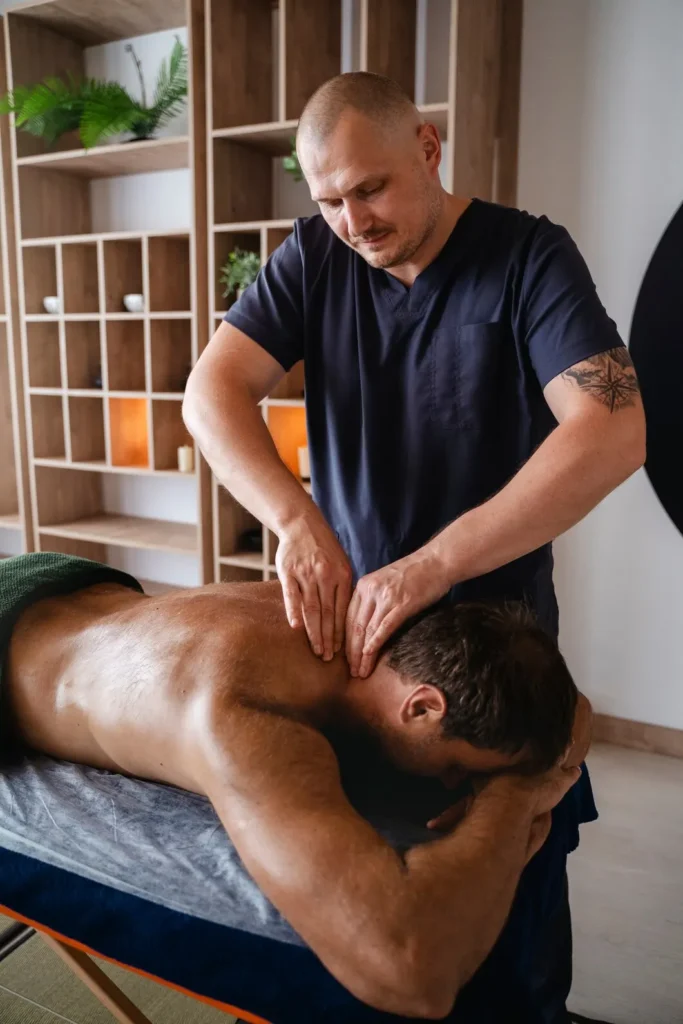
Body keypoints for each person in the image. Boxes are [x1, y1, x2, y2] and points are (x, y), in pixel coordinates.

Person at [183, 71, 646, 1021]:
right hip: (356, 649)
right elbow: (209, 395)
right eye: (328, 198)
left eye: (371, 188)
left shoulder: (525, 256)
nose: (352, 219)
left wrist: (432, 564)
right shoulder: (314, 255)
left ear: (428, 149)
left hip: (493, 645)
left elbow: (613, 429)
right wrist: (295, 520)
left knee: (513, 889)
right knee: (372, 906)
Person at [2, 552, 589, 1021]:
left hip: (52, 581)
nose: (456, 784)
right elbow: (411, 974)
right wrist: (516, 799)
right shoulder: (249, 714)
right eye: (462, 767)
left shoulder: (377, 617)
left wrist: (532, 765)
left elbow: (576, 713)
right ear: (423, 706)